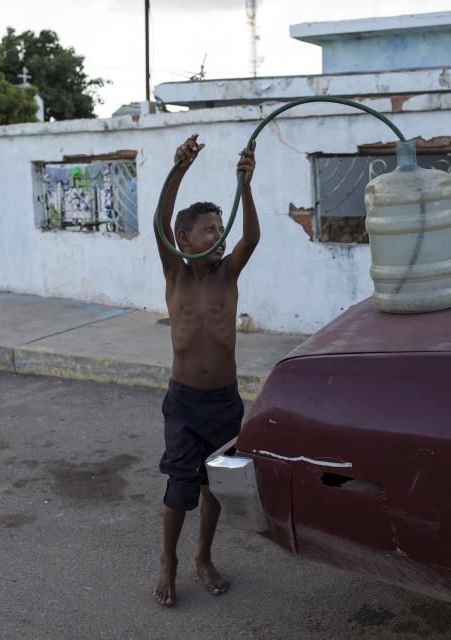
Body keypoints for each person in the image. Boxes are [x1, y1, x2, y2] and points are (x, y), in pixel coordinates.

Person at [152, 133, 259, 607]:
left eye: (220, 227)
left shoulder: (228, 273)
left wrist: (246, 185)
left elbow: (252, 236)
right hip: (183, 401)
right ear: (184, 240)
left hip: (222, 401)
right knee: (180, 487)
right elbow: (159, 219)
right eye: (209, 229)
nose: (219, 234)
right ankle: (168, 560)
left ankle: (203, 556)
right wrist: (179, 169)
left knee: (215, 484)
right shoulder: (175, 273)